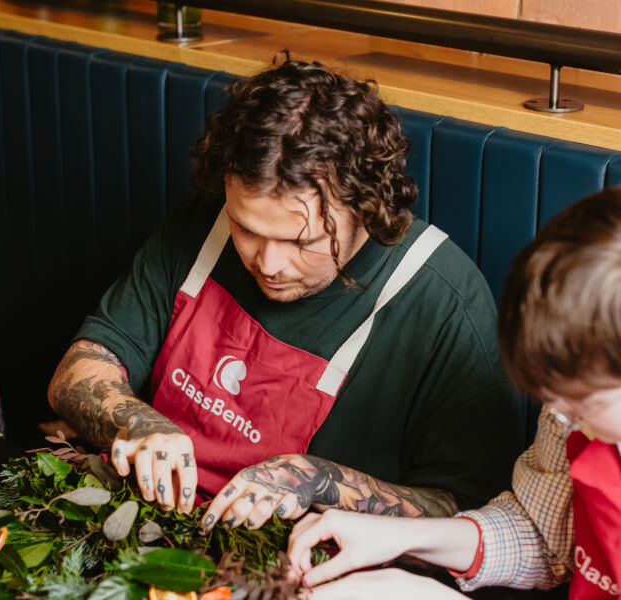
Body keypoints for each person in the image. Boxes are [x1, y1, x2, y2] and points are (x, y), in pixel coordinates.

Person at [48, 58, 523, 529]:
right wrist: (135, 422)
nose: (268, 264)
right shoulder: (202, 221)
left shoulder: (444, 301)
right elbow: (80, 367)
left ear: (367, 205)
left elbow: (468, 513)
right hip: (152, 520)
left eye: (303, 242)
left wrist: (318, 479)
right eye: (247, 229)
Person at [287, 187, 621, 599]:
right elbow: (544, 538)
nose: (558, 415)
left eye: (586, 401)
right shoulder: (568, 405)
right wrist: (402, 536)